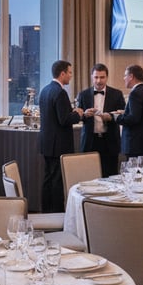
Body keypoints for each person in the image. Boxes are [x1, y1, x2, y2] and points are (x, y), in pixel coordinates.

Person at [38, 59, 84, 212]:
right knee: (57, 181)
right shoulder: (60, 92)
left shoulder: (45, 90)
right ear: (62, 73)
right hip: (59, 144)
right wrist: (78, 114)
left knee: (48, 179)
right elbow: (64, 120)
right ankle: (57, 213)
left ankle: (46, 211)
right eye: (69, 72)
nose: (71, 76)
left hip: (47, 143)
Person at [77, 63, 126, 177]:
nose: (99, 81)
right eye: (96, 77)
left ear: (107, 77)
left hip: (110, 142)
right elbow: (79, 116)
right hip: (90, 142)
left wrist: (110, 116)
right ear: (91, 77)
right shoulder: (83, 95)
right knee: (89, 176)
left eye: (102, 77)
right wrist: (84, 114)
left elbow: (123, 116)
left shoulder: (117, 94)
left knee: (111, 177)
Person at [115, 64, 143, 174]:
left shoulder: (135, 93)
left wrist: (116, 117)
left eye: (125, 75)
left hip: (135, 144)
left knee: (135, 178)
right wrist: (125, 113)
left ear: (131, 76)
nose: (124, 78)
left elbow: (134, 118)